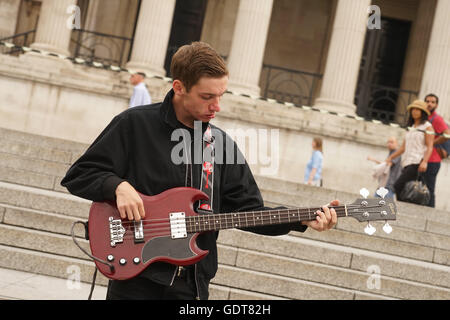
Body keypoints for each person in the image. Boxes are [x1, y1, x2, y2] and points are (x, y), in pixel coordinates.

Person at [60, 42, 338, 300]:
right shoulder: (134, 124)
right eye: (207, 97)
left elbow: (249, 211)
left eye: (220, 95)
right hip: (135, 282)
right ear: (179, 87)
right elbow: (80, 174)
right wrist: (117, 186)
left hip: (191, 285)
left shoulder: (220, 144)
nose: (217, 106)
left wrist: (302, 220)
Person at [386, 100, 434, 202]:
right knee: (406, 189)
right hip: (406, 161)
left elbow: (430, 146)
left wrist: (425, 161)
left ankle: (403, 206)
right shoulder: (411, 127)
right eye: (413, 109)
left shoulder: (427, 126)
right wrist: (391, 157)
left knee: (398, 185)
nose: (415, 111)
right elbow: (403, 148)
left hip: (417, 161)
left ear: (423, 112)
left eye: (418, 109)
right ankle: (406, 206)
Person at [423, 94, 450, 207]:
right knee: (419, 188)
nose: (429, 104)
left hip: (433, 160)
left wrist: (432, 143)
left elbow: (447, 134)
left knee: (429, 190)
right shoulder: (423, 118)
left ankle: (430, 216)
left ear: (437, 105)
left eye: (433, 102)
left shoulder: (437, 119)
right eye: (428, 101)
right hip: (421, 158)